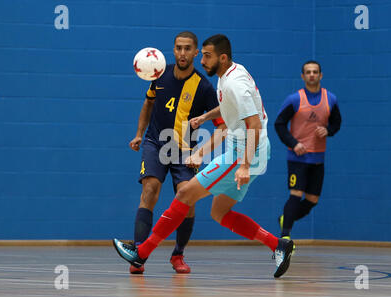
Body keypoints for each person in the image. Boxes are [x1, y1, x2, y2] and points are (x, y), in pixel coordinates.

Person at [113, 34, 294, 278]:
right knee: (219, 213)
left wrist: (244, 165)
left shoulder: (233, 84)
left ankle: (142, 252)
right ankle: (278, 245)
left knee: (185, 193)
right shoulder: (230, 74)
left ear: (222, 57)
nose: (203, 60)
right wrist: (205, 118)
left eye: (207, 56)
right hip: (249, 150)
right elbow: (231, 107)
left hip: (244, 153)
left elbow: (254, 125)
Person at [125, 31, 225, 274]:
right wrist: (139, 133)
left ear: (195, 52)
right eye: (178, 48)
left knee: (186, 199)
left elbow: (222, 127)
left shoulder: (203, 87)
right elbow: (148, 103)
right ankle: (139, 253)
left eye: (187, 48)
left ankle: (178, 254)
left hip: (184, 151)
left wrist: (200, 153)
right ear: (173, 50)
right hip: (155, 143)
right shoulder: (160, 75)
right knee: (149, 189)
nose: (182, 53)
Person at [274, 61, 342, 241]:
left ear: (321, 75)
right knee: (295, 195)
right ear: (302, 76)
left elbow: (336, 122)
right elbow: (279, 124)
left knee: (312, 200)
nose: (312, 75)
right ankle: (285, 238)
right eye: (308, 72)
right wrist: (293, 143)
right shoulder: (294, 100)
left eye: (315, 72)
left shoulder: (331, 99)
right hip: (298, 158)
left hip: (318, 159)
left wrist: (328, 131)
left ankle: (285, 219)